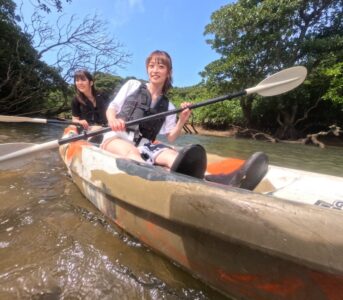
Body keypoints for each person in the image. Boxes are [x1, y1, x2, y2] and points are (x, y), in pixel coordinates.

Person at [101, 50, 194, 170]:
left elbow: (171, 137)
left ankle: (205, 178)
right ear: (147, 69)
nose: (155, 70)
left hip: (144, 145)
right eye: (151, 66)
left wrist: (182, 120)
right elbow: (112, 108)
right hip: (117, 137)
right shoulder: (133, 85)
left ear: (168, 72)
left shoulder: (169, 106)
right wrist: (113, 120)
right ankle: (149, 176)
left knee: (173, 157)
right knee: (132, 153)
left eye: (161, 67)